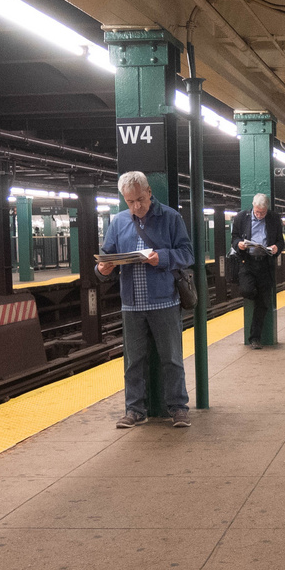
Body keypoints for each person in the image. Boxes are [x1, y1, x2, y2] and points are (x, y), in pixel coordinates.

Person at [97, 171, 194, 428]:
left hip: (164, 301)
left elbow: (187, 254)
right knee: (133, 361)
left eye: (140, 199)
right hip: (131, 304)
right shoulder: (118, 222)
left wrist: (161, 257)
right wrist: (102, 269)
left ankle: (178, 408)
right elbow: (106, 256)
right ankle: (134, 410)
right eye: (130, 202)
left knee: (172, 358)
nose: (136, 206)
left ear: (149, 192)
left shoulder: (170, 218)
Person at [230, 192, 284, 349]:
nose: (260, 215)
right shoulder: (241, 217)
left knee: (263, 304)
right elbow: (234, 238)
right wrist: (238, 243)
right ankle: (254, 294)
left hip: (265, 264)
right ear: (253, 207)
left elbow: (281, 241)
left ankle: (255, 338)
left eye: (263, 213)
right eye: (257, 212)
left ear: (267, 209)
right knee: (246, 290)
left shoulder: (274, 218)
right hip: (247, 262)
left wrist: (276, 248)